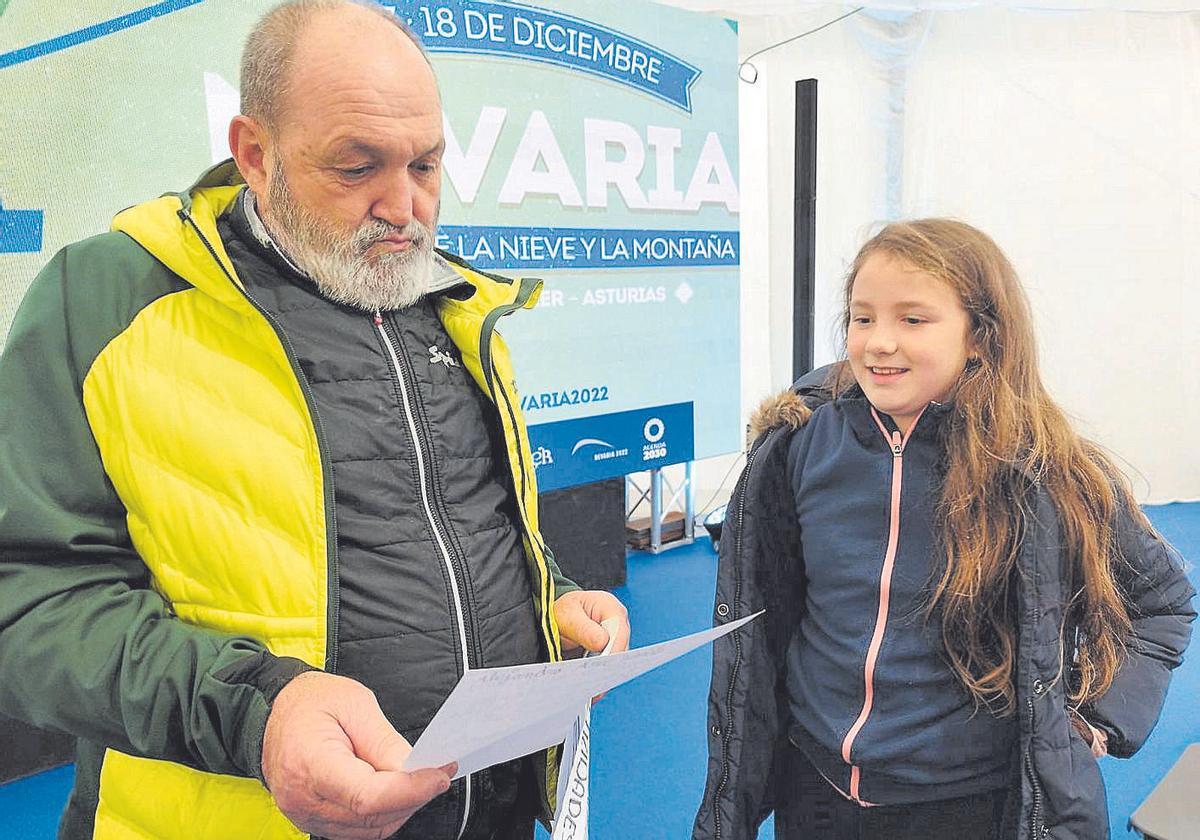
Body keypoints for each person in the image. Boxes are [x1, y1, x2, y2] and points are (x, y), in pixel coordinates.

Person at [0, 2, 629, 839]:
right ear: (255, 155)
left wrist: (546, 599)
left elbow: (467, 531)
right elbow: (28, 594)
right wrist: (259, 718)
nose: (404, 207)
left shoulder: (455, 309)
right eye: (357, 165)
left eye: (427, 165)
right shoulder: (111, 302)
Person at [693, 219, 1195, 839]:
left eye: (913, 320)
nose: (879, 342)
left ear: (980, 337)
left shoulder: (1045, 471)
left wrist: (1097, 721)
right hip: (816, 787)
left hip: (964, 803)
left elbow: (1162, 603)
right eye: (862, 317)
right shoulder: (800, 446)